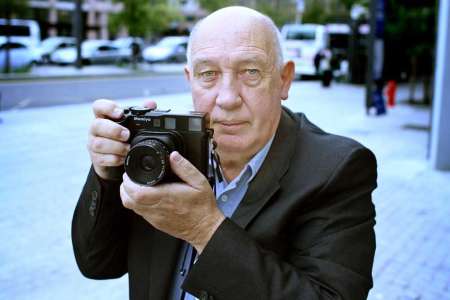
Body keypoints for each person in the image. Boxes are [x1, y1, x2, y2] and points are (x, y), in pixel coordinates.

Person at [72, 6, 377, 300]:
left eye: (251, 72)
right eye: (209, 74)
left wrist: (204, 229)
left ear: (284, 79)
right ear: (190, 80)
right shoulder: (162, 152)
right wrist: (106, 174)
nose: (228, 98)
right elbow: (97, 264)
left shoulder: (337, 169)